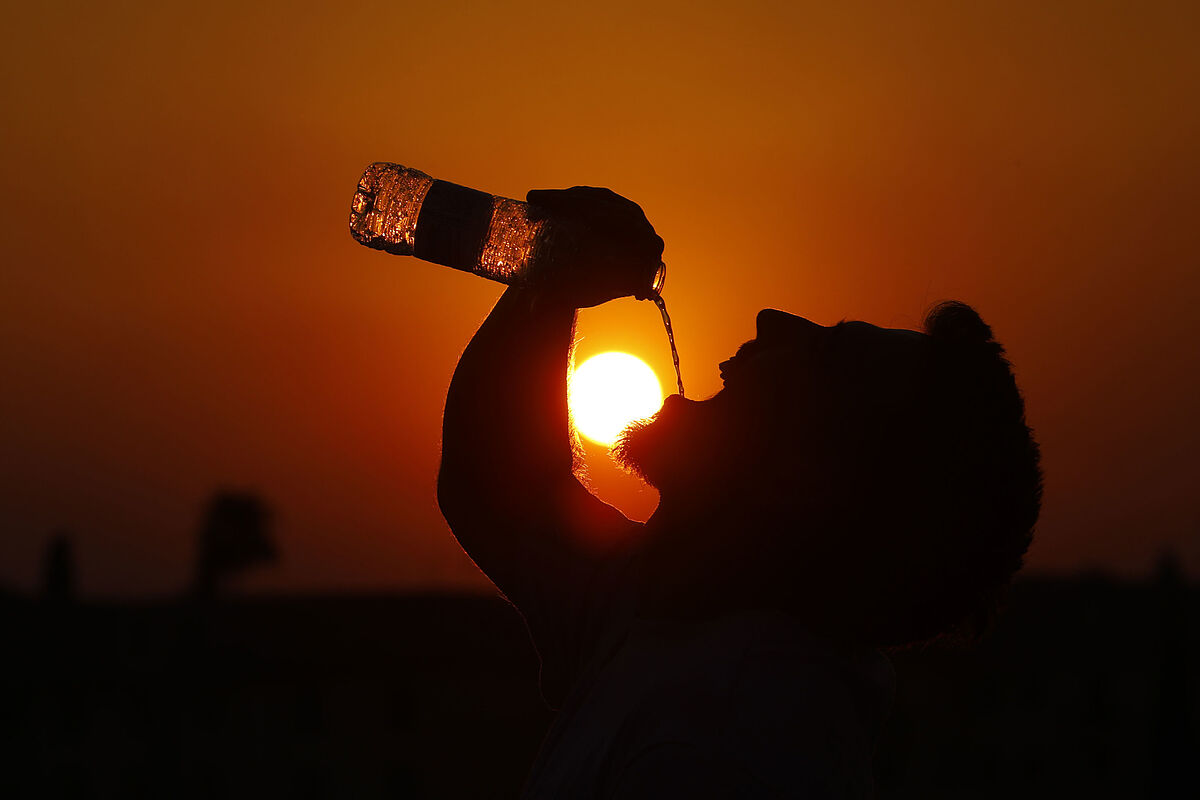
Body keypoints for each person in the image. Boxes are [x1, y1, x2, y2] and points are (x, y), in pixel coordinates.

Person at [437, 188, 1043, 798]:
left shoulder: (724, 738)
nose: (772, 320)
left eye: (828, 353)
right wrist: (551, 271)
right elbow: (497, 484)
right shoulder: (670, 616)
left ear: (808, 478)